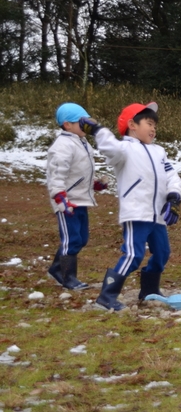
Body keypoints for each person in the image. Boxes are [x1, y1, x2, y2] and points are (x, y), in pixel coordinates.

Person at [79, 102, 181, 311]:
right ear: (132, 125)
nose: (153, 128)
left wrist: (174, 197)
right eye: (149, 123)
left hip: (157, 214)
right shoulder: (123, 150)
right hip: (137, 212)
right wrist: (98, 131)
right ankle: (106, 296)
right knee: (133, 255)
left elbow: (171, 175)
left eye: (155, 125)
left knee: (162, 253)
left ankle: (149, 292)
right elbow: (109, 146)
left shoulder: (159, 152)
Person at [45, 103, 107, 290]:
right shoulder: (63, 145)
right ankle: (67, 277)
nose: (86, 125)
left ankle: (56, 269)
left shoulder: (82, 142)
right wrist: (59, 195)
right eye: (82, 122)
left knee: (81, 238)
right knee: (71, 239)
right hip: (67, 201)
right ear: (67, 125)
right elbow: (57, 173)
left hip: (81, 198)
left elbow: (81, 170)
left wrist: (94, 183)